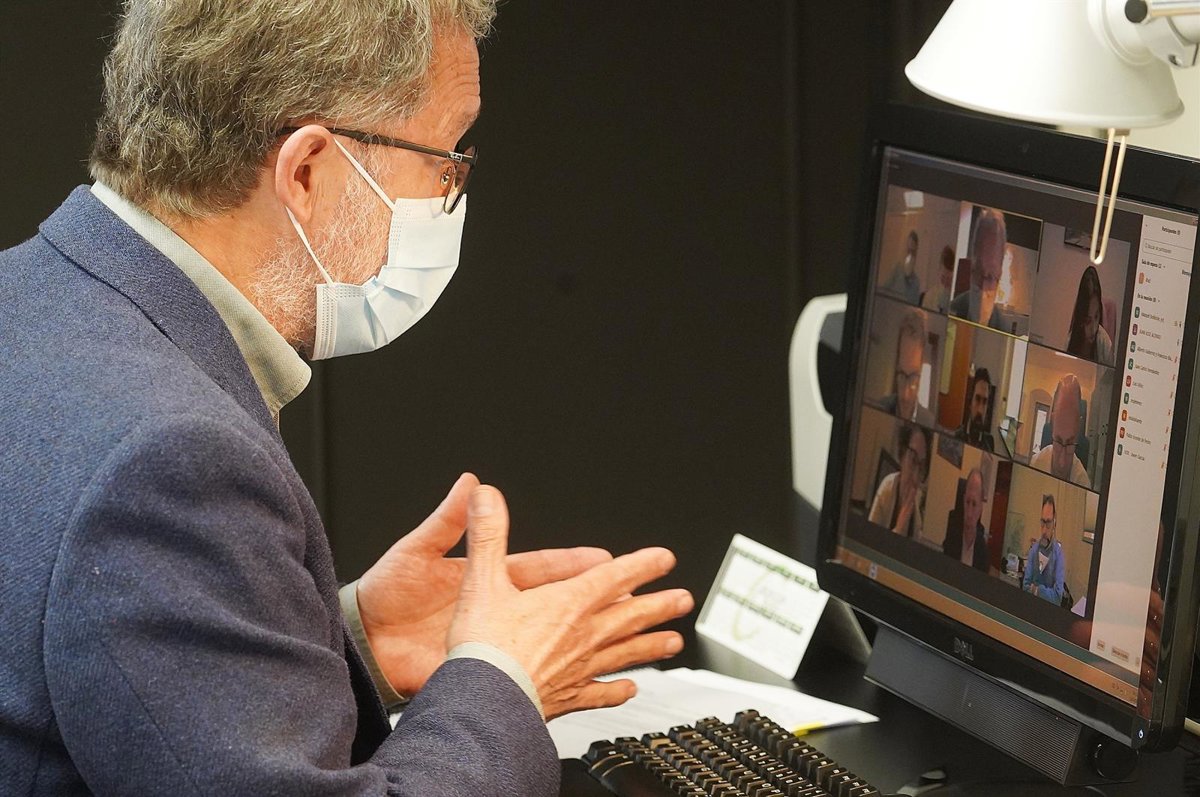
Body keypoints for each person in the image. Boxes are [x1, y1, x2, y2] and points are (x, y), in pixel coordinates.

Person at [0, 2, 693, 794]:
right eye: (446, 157)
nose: (452, 189)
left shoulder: (26, 299)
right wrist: (504, 681)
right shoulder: (170, 458)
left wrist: (346, 635)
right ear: (306, 171)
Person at [869, 423, 930, 539]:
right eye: (913, 459)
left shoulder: (918, 513)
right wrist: (899, 528)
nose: (915, 475)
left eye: (921, 465)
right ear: (902, 455)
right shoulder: (887, 488)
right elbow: (868, 540)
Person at [1030, 374, 1092, 488]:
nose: (1062, 463)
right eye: (1058, 441)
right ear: (1052, 421)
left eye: (1070, 444)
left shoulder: (1083, 482)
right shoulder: (1035, 464)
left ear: (1078, 427)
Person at [876, 308, 936, 426]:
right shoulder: (879, 411)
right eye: (902, 375)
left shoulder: (929, 423)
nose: (905, 395)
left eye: (913, 377)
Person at [949, 208, 1006, 330]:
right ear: (972, 268)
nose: (983, 286)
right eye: (979, 271)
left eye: (990, 276)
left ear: (1000, 275)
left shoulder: (1003, 328)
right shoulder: (952, 310)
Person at [1066, 265, 1114, 365]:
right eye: (1088, 321)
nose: (1093, 328)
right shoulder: (1070, 341)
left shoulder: (1105, 344)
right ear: (1081, 319)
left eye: (1096, 317)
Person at [1023, 494, 1067, 605]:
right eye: (1042, 522)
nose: (1044, 530)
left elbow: (1057, 597)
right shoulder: (1034, 550)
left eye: (1048, 523)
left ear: (1054, 523)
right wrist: (1046, 593)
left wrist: (1037, 590)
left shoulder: (1059, 555)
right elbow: (1025, 587)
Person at [942, 468, 989, 571]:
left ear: (980, 508)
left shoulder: (982, 549)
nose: (969, 513)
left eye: (974, 504)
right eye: (967, 502)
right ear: (963, 500)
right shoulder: (951, 535)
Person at [955, 368, 995, 452]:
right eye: (977, 399)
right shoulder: (957, 436)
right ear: (970, 401)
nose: (980, 410)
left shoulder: (989, 443)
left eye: (985, 402)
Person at [883, 230, 922, 305]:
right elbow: (884, 292)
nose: (910, 256)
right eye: (908, 251)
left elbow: (914, 307)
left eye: (912, 252)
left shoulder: (916, 283)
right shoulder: (896, 270)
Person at [921, 244, 955, 313]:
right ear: (939, 271)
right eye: (943, 278)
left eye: (949, 279)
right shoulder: (929, 297)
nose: (945, 283)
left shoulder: (959, 301)